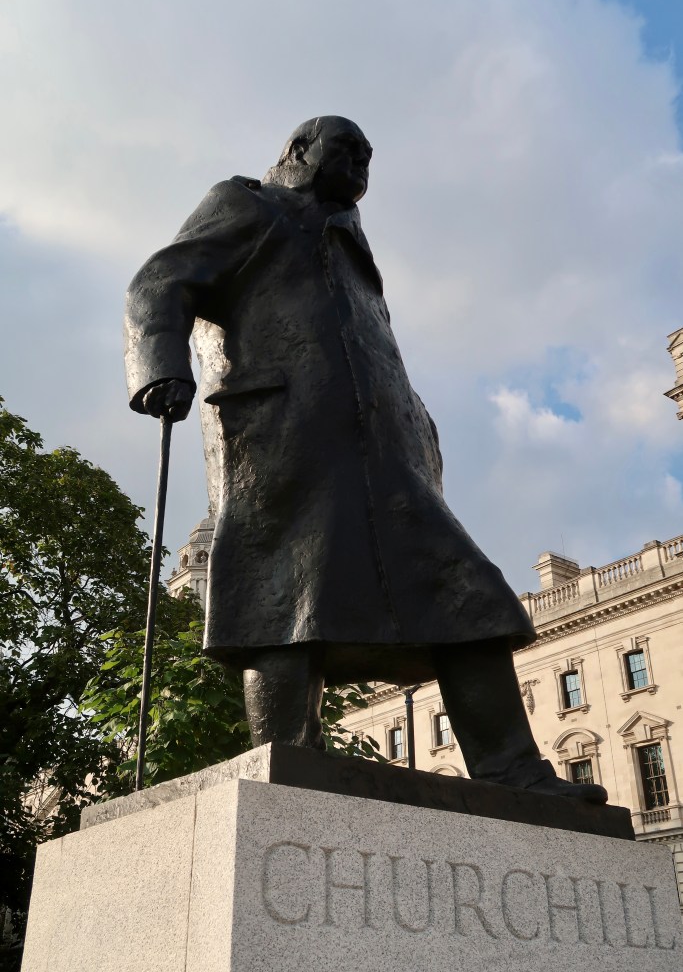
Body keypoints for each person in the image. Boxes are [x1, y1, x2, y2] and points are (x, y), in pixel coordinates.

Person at [125, 116, 606, 802]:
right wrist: (158, 365)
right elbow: (158, 281)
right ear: (297, 151)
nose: (360, 165)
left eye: (368, 156)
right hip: (282, 440)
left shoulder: (346, 234)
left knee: (465, 595)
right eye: (346, 149)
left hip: (383, 455)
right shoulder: (246, 204)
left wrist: (418, 427)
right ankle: (286, 760)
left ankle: (513, 772)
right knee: (280, 600)